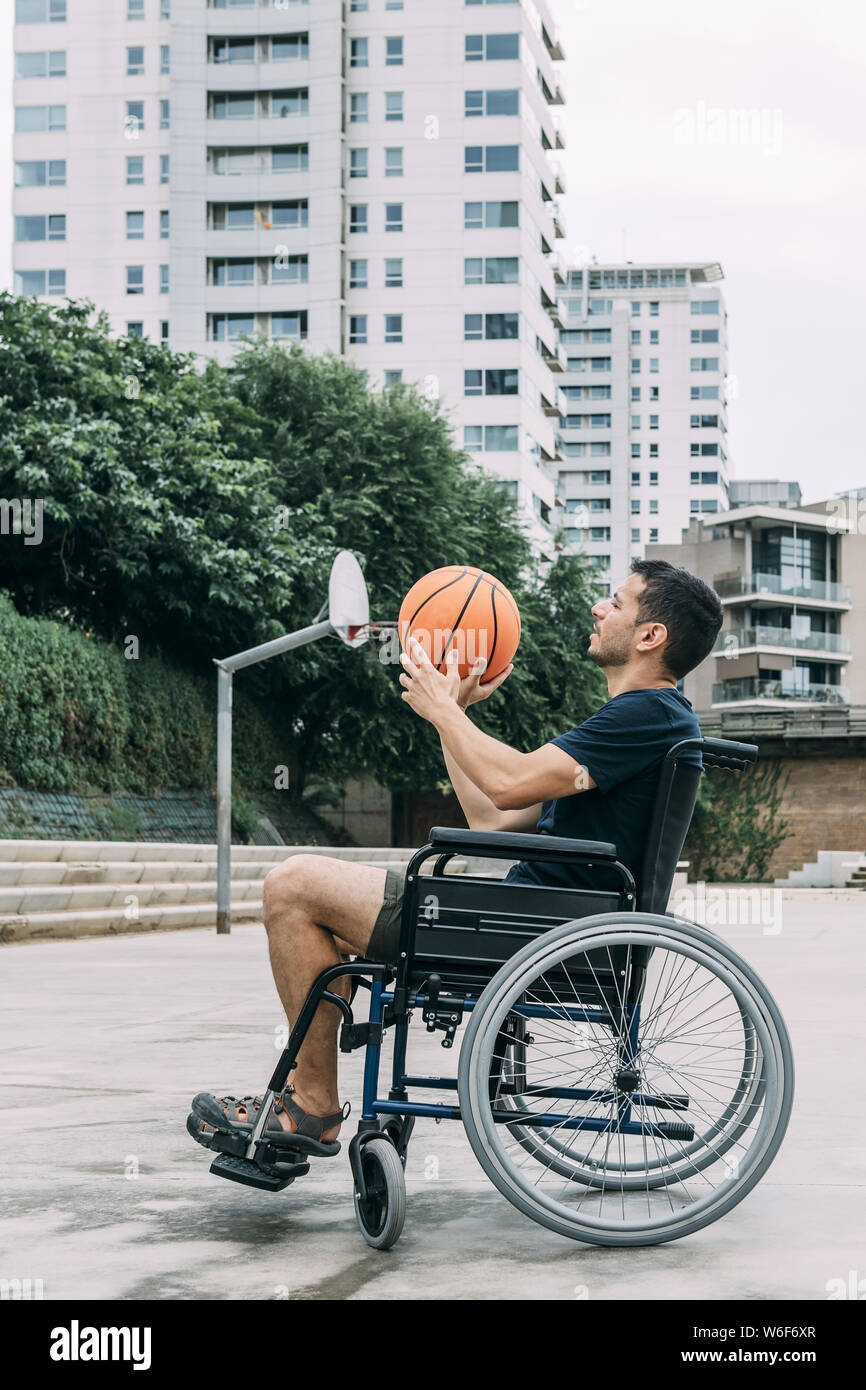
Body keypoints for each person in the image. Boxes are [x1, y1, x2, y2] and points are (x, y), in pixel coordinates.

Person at [188, 558, 723, 1156]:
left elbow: (510, 782)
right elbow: (492, 817)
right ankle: (305, 1103)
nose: (599, 609)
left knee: (293, 884)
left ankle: (312, 1106)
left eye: (617, 603)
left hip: (528, 928)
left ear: (651, 637)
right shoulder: (650, 719)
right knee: (311, 910)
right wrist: (455, 718)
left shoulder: (645, 714)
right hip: (537, 921)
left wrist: (442, 704)